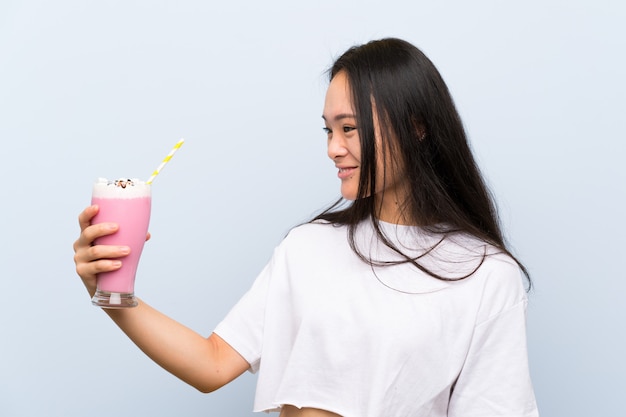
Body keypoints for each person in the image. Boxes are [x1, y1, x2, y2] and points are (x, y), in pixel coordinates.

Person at [73, 38, 538, 417]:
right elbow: (212, 364)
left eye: (349, 128)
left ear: (416, 127)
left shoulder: (484, 275)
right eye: (327, 130)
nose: (333, 148)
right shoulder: (310, 246)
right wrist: (111, 293)